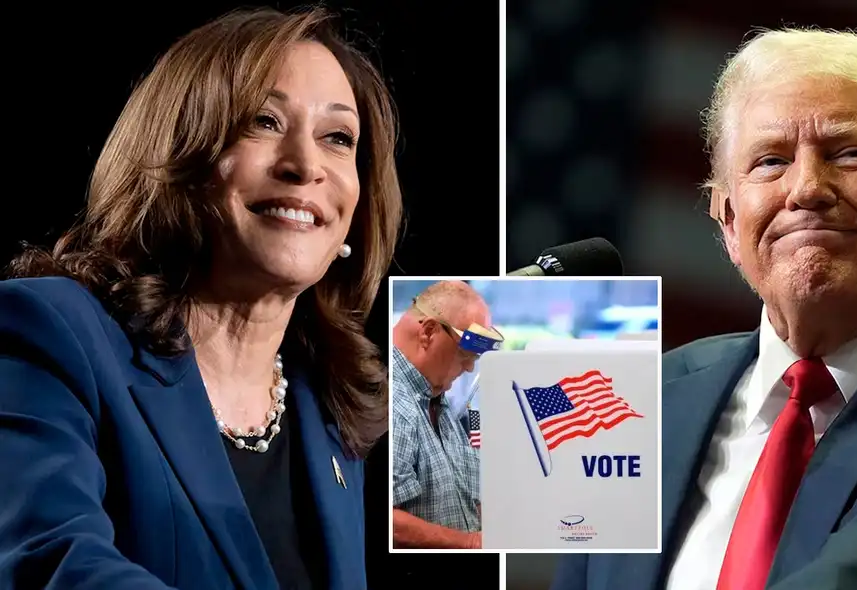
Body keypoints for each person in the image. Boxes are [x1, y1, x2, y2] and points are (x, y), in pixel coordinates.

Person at [550, 27, 857, 590]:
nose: (807, 188)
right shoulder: (639, 401)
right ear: (731, 223)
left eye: (850, 152)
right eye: (769, 161)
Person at [0, 7, 402, 590]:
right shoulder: (48, 333)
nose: (306, 165)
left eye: (337, 138)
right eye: (262, 122)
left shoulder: (333, 417)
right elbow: (50, 562)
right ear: (179, 156)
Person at [391, 281, 501, 549]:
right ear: (428, 332)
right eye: (465, 354)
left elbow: (464, 494)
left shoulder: (435, 396)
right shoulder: (393, 403)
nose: (469, 367)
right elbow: (377, 517)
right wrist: (470, 542)